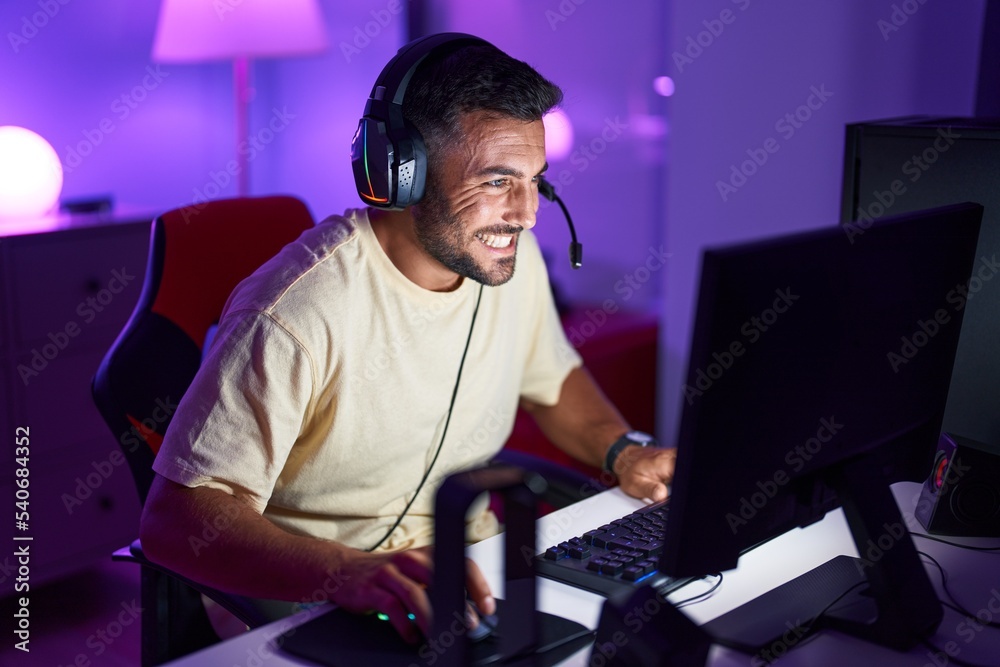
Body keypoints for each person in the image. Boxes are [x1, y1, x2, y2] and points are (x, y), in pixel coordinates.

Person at [139, 34, 676, 644]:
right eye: (499, 181)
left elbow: (551, 380)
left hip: (470, 580)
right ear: (403, 172)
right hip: (314, 603)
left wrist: (624, 451)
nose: (527, 213)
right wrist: (347, 573)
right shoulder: (297, 312)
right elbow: (173, 523)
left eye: (535, 180)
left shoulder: (509, 262)